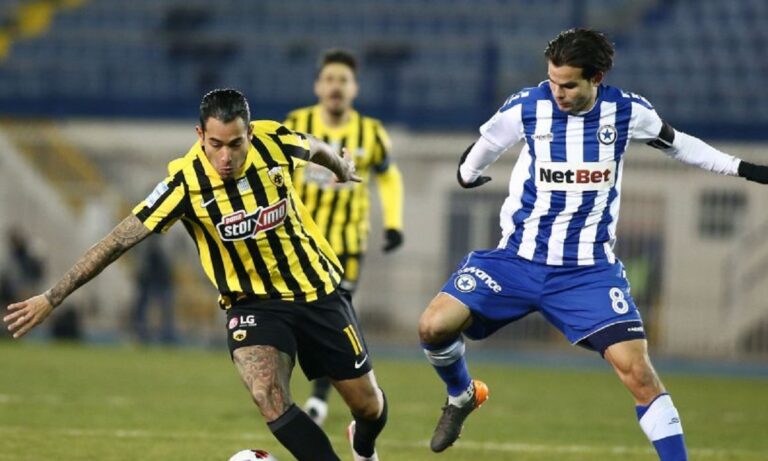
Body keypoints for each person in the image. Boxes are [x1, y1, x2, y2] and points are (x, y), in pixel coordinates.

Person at [417, 28, 768, 461]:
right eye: (552, 81)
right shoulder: (527, 106)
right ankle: (462, 394)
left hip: (587, 273)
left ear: (596, 78)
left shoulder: (627, 112)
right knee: (433, 326)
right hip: (516, 261)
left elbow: (680, 146)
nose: (557, 92)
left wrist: (745, 169)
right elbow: (489, 141)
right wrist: (467, 174)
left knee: (639, 373)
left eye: (568, 85)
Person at [4, 89, 387, 461]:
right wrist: (52, 297)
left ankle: (364, 446)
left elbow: (313, 146)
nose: (225, 157)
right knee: (266, 393)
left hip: (316, 289)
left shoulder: (274, 142)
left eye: (235, 144)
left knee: (368, 406)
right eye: (215, 144)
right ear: (200, 135)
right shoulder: (184, 183)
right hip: (252, 304)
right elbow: (117, 241)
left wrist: (340, 167)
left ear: (250, 133)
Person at [284, 49, 404, 427]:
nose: (336, 86)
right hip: (300, 243)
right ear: (318, 86)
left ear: (355, 88)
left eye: (344, 80)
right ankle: (295, 393)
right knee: (296, 319)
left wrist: (394, 223)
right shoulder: (296, 124)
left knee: (332, 318)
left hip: (347, 244)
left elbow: (388, 176)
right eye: (330, 79)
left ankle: (318, 398)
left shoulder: (371, 132)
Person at [131, 235, 176, 344]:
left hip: (161, 279)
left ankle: (165, 334)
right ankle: (143, 333)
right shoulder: (147, 242)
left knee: (163, 308)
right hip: (148, 280)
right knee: (145, 308)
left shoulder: (161, 242)